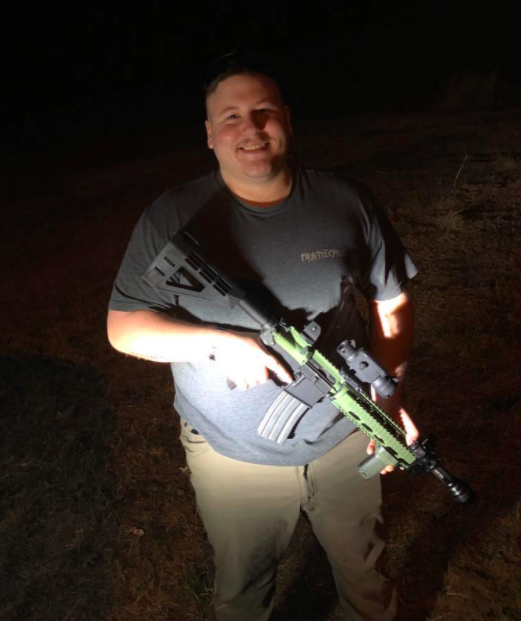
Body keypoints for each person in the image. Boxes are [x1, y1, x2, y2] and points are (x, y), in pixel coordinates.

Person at [107, 52, 418, 621]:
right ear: (209, 134)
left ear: (287, 119)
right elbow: (124, 328)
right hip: (235, 453)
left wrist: (391, 395)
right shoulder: (172, 216)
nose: (249, 128)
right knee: (245, 587)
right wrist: (217, 343)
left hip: (345, 438)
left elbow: (390, 302)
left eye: (263, 111)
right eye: (231, 117)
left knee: (364, 571)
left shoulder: (346, 201)